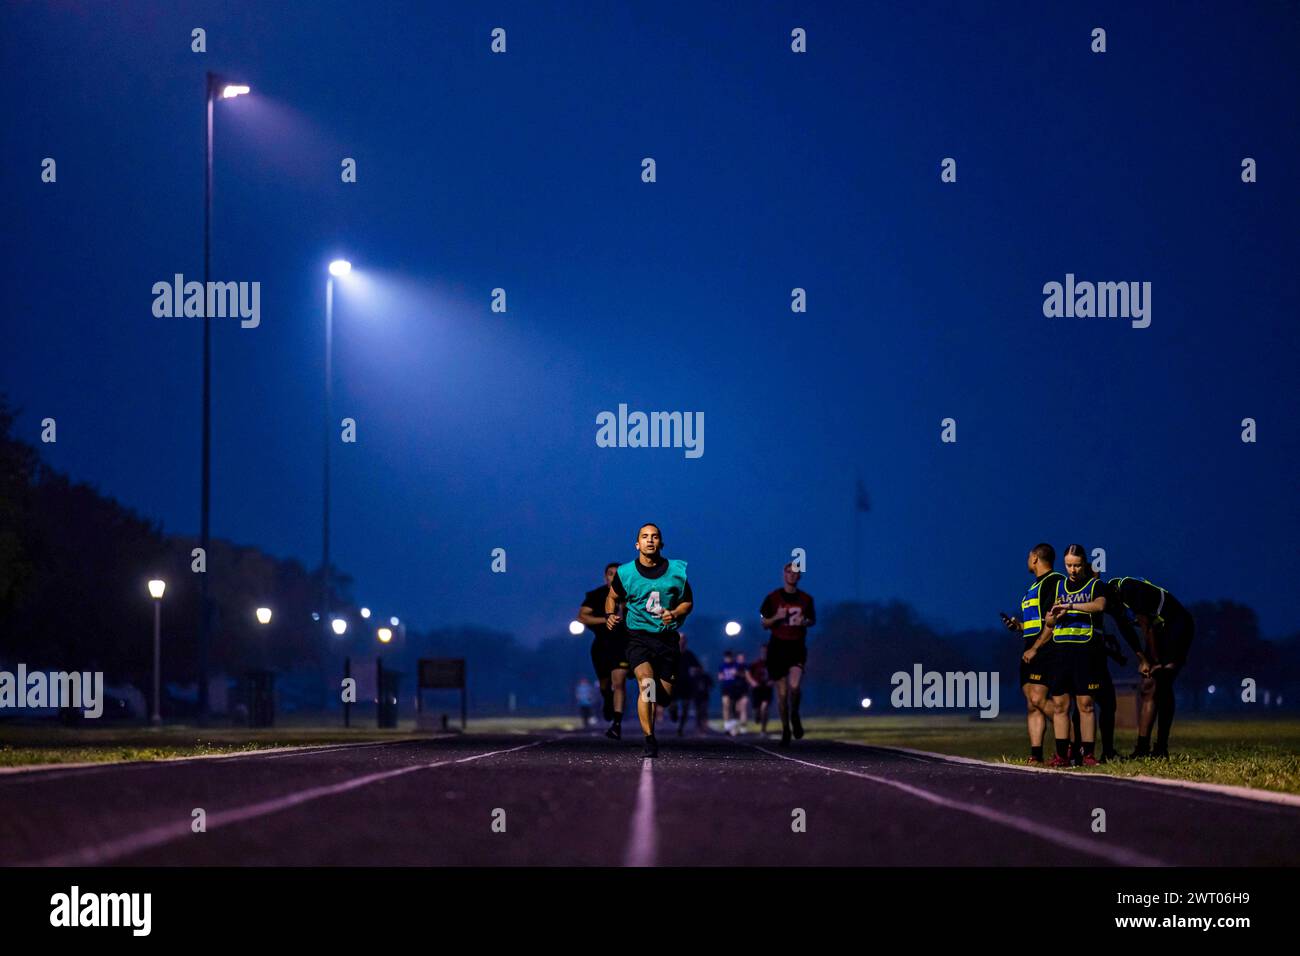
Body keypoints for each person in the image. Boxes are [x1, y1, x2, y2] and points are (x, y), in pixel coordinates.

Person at [606, 523, 693, 757]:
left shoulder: (676, 571)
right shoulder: (625, 572)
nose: (650, 540)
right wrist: (610, 615)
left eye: (654, 537)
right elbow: (612, 597)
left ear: (661, 543)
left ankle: (663, 706)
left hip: (666, 639)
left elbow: (688, 602)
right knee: (647, 684)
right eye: (644, 537)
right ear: (637, 544)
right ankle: (649, 739)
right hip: (637, 637)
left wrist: (674, 613)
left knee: (662, 697)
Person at [1099, 576, 1194, 758]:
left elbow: (1147, 627)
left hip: (1176, 625)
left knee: (1163, 682)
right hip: (1158, 632)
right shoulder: (1110, 603)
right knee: (1148, 687)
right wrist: (1142, 659)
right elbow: (1127, 632)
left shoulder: (1127, 589)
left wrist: (1155, 661)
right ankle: (1142, 748)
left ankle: (1161, 747)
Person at [1034, 544, 1106, 767]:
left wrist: (1071, 604)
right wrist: (1053, 616)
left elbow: (1100, 606)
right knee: (1060, 705)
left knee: (1086, 704)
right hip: (1061, 653)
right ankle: (1061, 755)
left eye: (1076, 565)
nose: (1072, 570)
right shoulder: (1057, 587)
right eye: (1068, 565)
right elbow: (1049, 621)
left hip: (1085, 652)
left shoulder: (1095, 585)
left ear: (1084, 563)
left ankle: (1089, 755)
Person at [1002, 543, 1063, 764]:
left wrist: (1036, 647)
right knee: (1031, 703)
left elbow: (1052, 621)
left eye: (1029, 556)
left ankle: (1069, 743)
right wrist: (1019, 627)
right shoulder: (1033, 587)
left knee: (1039, 698)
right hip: (1029, 649)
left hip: (1044, 650)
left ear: (1035, 558)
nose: (1027, 560)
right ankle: (1035, 754)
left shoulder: (1053, 582)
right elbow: (1036, 622)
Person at [760, 563, 816, 746]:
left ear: (800, 576)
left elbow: (812, 621)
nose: (792, 575)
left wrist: (804, 621)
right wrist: (776, 617)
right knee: (782, 694)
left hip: (797, 647)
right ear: (783, 574)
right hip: (777, 647)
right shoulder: (772, 597)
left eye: (795, 573)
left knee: (795, 686)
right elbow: (764, 623)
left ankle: (795, 714)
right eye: (789, 572)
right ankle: (785, 728)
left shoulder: (806, 599)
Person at [578, 562, 631, 739]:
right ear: (605, 577)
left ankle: (616, 724)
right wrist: (606, 619)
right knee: (604, 685)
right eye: (610, 574)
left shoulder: (630, 596)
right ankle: (607, 699)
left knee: (619, 682)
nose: (614, 577)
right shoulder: (595, 595)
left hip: (622, 646)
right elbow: (582, 616)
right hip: (601, 646)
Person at [718, 650, 747, 735]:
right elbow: (720, 676)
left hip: (735, 689)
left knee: (735, 708)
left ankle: (735, 725)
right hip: (726, 688)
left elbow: (744, 674)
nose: (728, 659)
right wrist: (721, 677)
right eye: (726, 657)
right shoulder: (722, 665)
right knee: (726, 704)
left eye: (729, 657)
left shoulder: (737, 665)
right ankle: (727, 726)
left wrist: (737, 673)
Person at [747, 644, 773, 736]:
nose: (765, 653)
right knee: (757, 710)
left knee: (765, 707)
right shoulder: (755, 663)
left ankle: (763, 730)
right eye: (763, 651)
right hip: (757, 689)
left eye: (766, 651)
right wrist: (752, 682)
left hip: (767, 689)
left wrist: (772, 681)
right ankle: (757, 717)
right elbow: (748, 673)